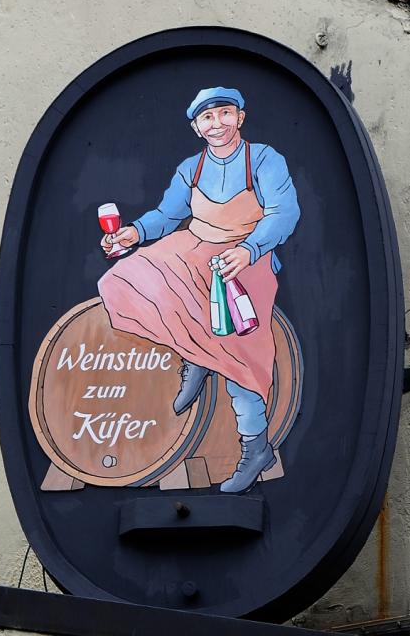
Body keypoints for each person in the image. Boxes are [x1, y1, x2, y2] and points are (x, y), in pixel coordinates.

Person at [98, 87, 300, 494]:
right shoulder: (191, 168)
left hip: (246, 255)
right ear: (196, 127)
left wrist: (249, 249)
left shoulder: (263, 159)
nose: (217, 123)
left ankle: (256, 447)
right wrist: (133, 232)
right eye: (207, 117)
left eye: (225, 113)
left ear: (240, 117)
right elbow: (168, 214)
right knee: (127, 276)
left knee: (240, 352)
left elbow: (284, 213)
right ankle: (197, 357)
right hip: (195, 246)